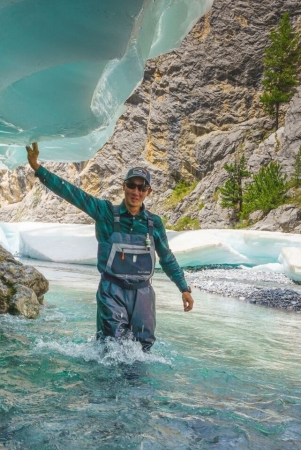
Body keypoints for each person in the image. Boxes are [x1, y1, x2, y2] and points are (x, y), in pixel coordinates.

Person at [25, 142, 193, 351]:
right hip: (111, 291)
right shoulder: (105, 213)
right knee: (112, 347)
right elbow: (72, 193)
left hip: (143, 293)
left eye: (142, 188)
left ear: (148, 192)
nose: (136, 191)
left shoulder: (154, 223)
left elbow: (167, 258)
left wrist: (184, 288)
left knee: (143, 348)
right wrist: (38, 168)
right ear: (124, 186)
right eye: (132, 185)